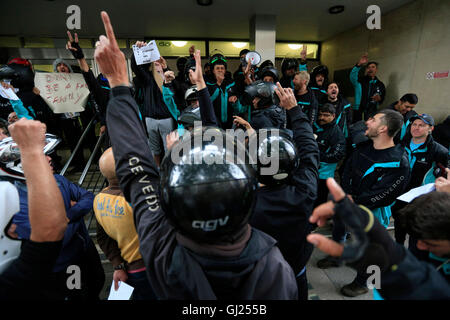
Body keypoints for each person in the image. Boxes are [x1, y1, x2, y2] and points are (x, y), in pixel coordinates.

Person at [94, 12, 298, 299]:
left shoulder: (161, 252)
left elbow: (134, 169)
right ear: (251, 196)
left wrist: (117, 83)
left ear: (169, 203)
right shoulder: (276, 273)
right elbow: (137, 171)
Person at [307, 178, 450, 299]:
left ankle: (363, 285)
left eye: (430, 243)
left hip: (378, 217)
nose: (420, 246)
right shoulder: (424, 245)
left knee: (374, 264)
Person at [318, 109, 410, 297]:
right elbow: (347, 170)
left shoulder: (398, 161)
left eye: (373, 120)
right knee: (339, 227)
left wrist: (356, 200)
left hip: (371, 210)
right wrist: (346, 193)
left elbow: (386, 193)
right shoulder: (364, 146)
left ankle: (363, 283)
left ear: (383, 128)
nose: (367, 122)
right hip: (348, 199)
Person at [3, 133, 105, 300]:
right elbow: (54, 240)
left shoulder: (58, 179)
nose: (50, 159)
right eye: (43, 155)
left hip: (84, 255)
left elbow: (88, 197)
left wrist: (67, 216)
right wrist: (73, 219)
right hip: (61, 268)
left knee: (94, 289)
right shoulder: (15, 200)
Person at [248, 82, 320, 300]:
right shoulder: (304, 192)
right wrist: (294, 110)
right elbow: (309, 149)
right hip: (297, 273)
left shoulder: (245, 204)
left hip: (260, 279)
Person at [0, 118, 68, 299]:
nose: (15, 228)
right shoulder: (11, 285)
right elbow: (49, 229)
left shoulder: (59, 180)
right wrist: (31, 149)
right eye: (8, 229)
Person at [94, 148, 157, 300]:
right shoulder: (138, 199)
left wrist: (117, 265)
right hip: (152, 268)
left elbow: (103, 239)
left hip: (130, 269)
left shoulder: (99, 199)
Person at [391, 113, 449, 246]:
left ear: (431, 129)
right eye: (414, 124)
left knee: (416, 230)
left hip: (421, 197)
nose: (416, 128)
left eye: (421, 125)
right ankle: (398, 249)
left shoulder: (439, 151)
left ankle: (413, 254)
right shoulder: (398, 145)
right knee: (399, 223)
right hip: (399, 194)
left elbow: (443, 177)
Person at [130, 41, 175, 167]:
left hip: (166, 119)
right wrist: (137, 51)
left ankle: (168, 172)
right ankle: (157, 173)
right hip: (150, 119)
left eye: (158, 62)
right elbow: (135, 67)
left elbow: (173, 93)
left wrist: (166, 69)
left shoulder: (168, 77)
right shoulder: (147, 78)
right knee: (154, 150)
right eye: (154, 62)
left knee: (168, 150)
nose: (157, 64)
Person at [314, 103, 346, 206]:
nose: (322, 118)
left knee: (320, 200)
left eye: (326, 115)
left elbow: (337, 155)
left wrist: (317, 155)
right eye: (320, 114)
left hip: (324, 175)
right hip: (314, 171)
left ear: (333, 116)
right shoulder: (319, 127)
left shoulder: (337, 134)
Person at [206, 53, 244, 129]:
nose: (220, 70)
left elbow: (239, 109)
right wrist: (218, 83)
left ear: (225, 70)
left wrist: (235, 101)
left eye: (222, 68)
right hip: (213, 124)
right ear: (213, 70)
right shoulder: (207, 84)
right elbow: (207, 103)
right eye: (217, 68)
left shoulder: (232, 83)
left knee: (230, 140)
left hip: (230, 124)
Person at [350, 53, 386, 122]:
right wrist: (359, 65)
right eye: (368, 67)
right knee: (357, 130)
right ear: (366, 70)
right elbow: (352, 77)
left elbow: (382, 98)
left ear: (376, 69)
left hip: (372, 112)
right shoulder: (360, 80)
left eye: (373, 67)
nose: (370, 69)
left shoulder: (380, 84)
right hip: (359, 111)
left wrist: (379, 99)